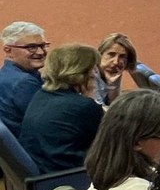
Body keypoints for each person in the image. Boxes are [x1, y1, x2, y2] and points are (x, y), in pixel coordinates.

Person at [19, 44, 104, 173]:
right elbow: (109, 147)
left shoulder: (41, 95)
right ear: (81, 72)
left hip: (44, 175)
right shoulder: (83, 106)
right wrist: (91, 97)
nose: (95, 73)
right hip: (71, 178)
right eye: (93, 69)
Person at [0, 21, 48, 138]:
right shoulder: (24, 83)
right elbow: (48, 122)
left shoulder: (6, 74)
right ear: (8, 50)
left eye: (42, 45)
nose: (40, 52)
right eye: (31, 47)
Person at [94, 32, 138, 105]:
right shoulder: (91, 77)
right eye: (111, 54)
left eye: (122, 56)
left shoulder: (114, 75)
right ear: (100, 54)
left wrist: (113, 86)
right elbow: (102, 111)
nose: (116, 62)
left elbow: (113, 105)